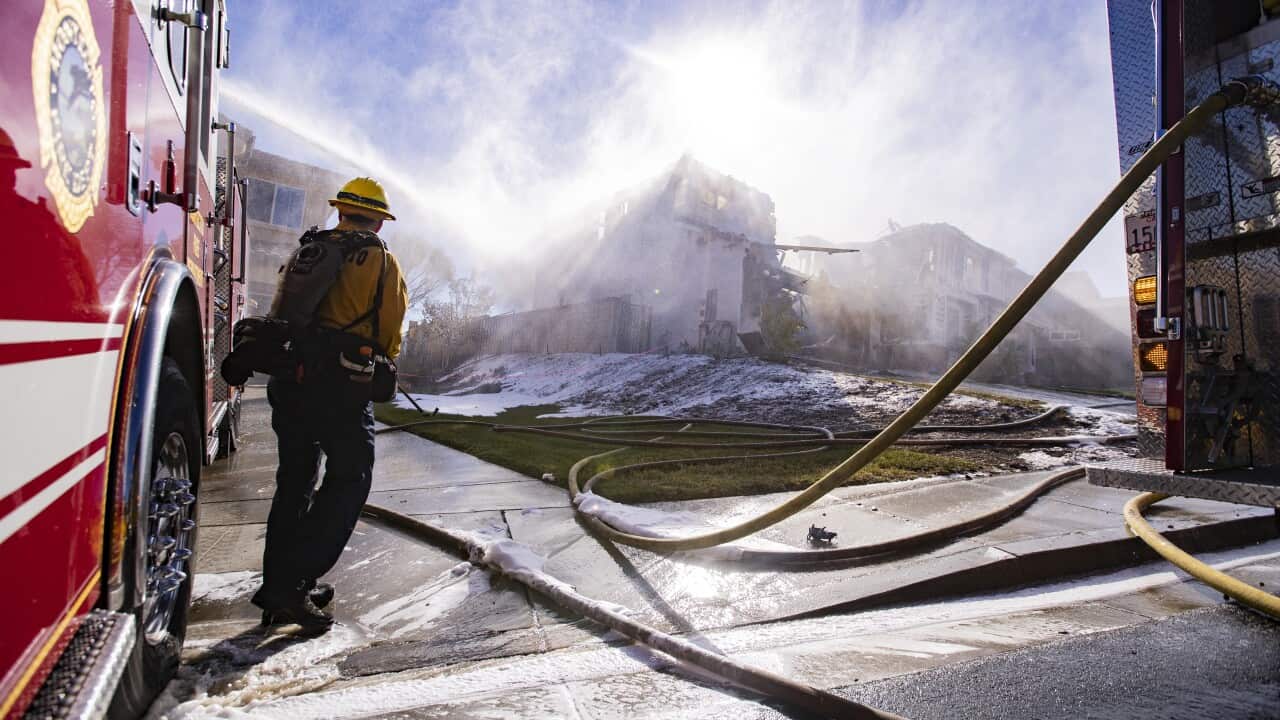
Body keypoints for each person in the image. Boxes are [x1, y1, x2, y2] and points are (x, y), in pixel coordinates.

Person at [251, 177, 409, 629]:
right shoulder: (380, 259)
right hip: (340, 386)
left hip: (290, 381)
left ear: (341, 212)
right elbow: (389, 333)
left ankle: (280, 585)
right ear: (379, 220)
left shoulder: (308, 249)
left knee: (295, 482)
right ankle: (293, 583)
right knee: (349, 479)